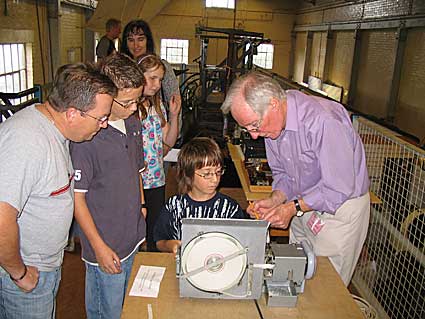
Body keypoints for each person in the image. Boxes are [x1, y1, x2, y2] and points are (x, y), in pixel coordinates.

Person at [221, 71, 370, 286]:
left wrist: (292, 209)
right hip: (303, 205)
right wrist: (275, 200)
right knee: (294, 273)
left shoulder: (324, 121)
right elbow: (284, 175)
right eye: (247, 129)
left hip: (339, 209)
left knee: (325, 285)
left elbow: (338, 187)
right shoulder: (273, 126)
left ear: (273, 104)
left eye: (254, 125)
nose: (254, 135)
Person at [0, 63, 116, 318]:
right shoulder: (27, 141)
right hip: (24, 274)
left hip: (42, 267)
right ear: (73, 113)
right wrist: (19, 273)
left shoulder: (54, 131)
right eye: (101, 118)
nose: (105, 125)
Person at [70, 53, 146, 319]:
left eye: (138, 99)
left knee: (128, 307)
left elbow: (137, 169)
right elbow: (77, 200)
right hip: (105, 244)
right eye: (127, 102)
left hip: (133, 235)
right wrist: (99, 248)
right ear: (107, 96)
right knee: (108, 311)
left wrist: (142, 204)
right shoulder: (87, 137)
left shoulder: (133, 123)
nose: (135, 107)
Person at [154, 137, 247, 254]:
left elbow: (241, 244)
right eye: (206, 174)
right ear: (188, 174)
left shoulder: (229, 208)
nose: (214, 179)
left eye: (218, 172)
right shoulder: (174, 205)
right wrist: (170, 245)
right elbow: (159, 241)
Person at [137, 54, 181, 251]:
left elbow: (168, 142)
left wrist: (174, 115)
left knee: (154, 232)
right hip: (136, 183)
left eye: (160, 79)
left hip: (156, 180)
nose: (157, 84)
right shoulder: (130, 108)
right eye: (152, 78)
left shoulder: (157, 106)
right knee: (136, 233)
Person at [120, 19, 181, 131]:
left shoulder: (163, 67)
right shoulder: (122, 70)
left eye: (141, 39)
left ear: (148, 41)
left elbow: (175, 100)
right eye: (130, 40)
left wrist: (175, 129)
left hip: (158, 130)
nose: (136, 45)